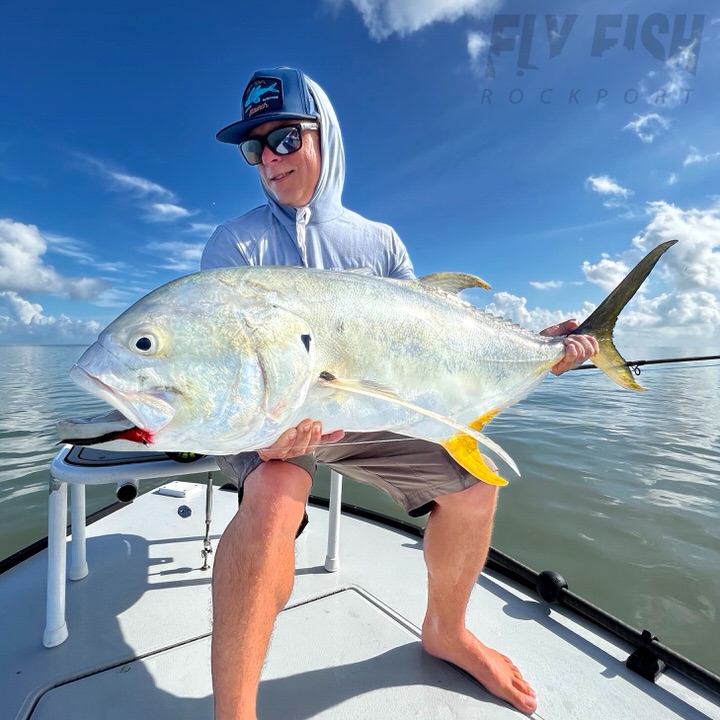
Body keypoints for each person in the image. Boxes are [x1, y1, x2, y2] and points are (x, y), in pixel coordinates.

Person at [202, 67, 597, 720]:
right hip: (276, 417)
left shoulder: (378, 243)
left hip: (371, 408)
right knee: (274, 494)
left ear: (322, 135)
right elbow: (227, 364)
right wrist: (261, 435)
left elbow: (436, 344)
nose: (268, 161)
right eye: (253, 147)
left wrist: (542, 350)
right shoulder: (236, 244)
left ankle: (446, 630)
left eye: (282, 139)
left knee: (477, 485)